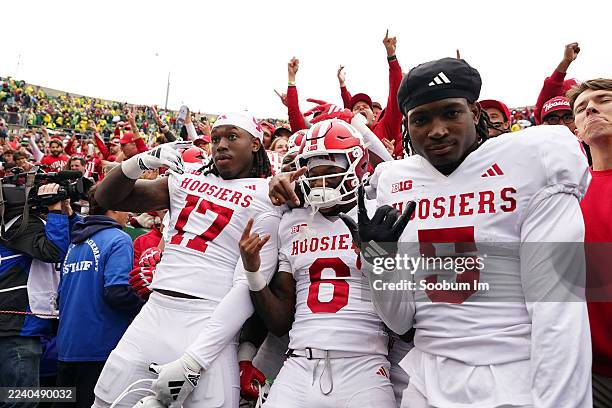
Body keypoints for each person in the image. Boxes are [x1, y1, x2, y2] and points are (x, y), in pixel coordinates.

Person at [336, 57, 591, 406]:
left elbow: (558, 309)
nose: (437, 130)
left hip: (513, 378)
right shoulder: (398, 181)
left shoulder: (532, 159)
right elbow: (399, 321)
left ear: (474, 111)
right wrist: (380, 260)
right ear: (407, 126)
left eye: (450, 112)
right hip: (425, 380)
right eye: (421, 119)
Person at [91, 112, 281, 408]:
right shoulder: (187, 181)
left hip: (207, 321)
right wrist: (140, 161)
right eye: (216, 138)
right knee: (106, 402)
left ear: (256, 144)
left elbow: (246, 286)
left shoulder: (268, 197)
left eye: (232, 136)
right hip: (154, 312)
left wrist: (195, 360)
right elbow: (107, 197)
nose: (221, 145)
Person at [243, 119, 396, 407]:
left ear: (358, 168)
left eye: (330, 173)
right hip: (299, 362)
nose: (320, 184)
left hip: (364, 365)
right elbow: (279, 322)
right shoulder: (292, 220)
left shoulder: (380, 214)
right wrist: (253, 274)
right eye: (313, 174)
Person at [55, 186, 140, 408]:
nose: (129, 213)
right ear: (113, 207)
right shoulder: (119, 239)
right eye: (126, 207)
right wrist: (148, 307)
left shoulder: (76, 242)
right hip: (100, 348)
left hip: (67, 348)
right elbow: (117, 292)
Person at [0, 183, 74, 406]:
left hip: (29, 327)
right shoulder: (16, 227)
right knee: (21, 400)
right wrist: (54, 210)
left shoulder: (24, 226)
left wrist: (66, 214)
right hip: (17, 329)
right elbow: (54, 251)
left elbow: (68, 242)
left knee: (38, 396)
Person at [568, 78, 612, 407]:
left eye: (603, 99)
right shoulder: (566, 197)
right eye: (581, 108)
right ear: (578, 131)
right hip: (592, 372)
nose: (591, 108)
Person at [534, 42, 580, 125]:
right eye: (553, 119)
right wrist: (566, 61)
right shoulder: (543, 116)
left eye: (568, 117)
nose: (562, 124)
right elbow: (551, 85)